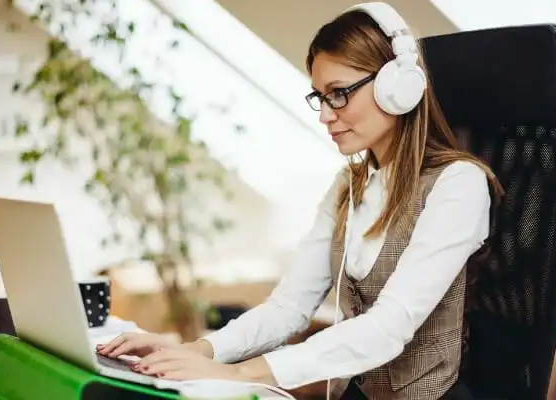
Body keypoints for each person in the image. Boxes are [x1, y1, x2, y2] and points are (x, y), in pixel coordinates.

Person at [97, 2, 503, 399]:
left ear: (397, 88)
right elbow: (288, 307)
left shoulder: (458, 185)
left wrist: (239, 373)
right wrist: (195, 352)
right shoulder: (347, 187)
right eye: (319, 97)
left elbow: (389, 326)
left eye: (338, 93)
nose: (325, 115)